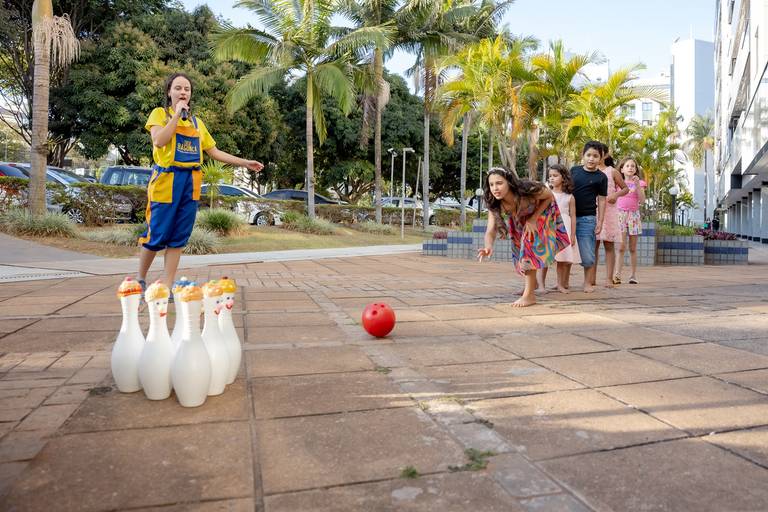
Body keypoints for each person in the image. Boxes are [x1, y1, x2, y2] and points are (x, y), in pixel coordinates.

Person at [137, 72, 263, 294]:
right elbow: (159, 140)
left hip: (190, 183)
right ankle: (140, 279)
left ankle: (166, 286)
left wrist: (245, 163)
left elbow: (214, 151)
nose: (183, 92)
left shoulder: (197, 123)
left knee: (178, 237)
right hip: (166, 180)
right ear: (169, 92)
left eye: (186, 89)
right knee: (156, 233)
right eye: (178, 88)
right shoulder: (159, 115)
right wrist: (176, 116)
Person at [477, 167, 569, 307]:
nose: (495, 188)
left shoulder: (525, 191)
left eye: (499, 183)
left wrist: (534, 218)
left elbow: (549, 196)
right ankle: (533, 284)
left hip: (541, 213)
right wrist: (488, 246)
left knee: (528, 246)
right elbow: (491, 230)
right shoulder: (495, 203)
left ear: (509, 182)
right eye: (491, 184)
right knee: (519, 249)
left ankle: (529, 295)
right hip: (520, 219)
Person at [571, 141, 608, 293]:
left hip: (587, 219)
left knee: (587, 254)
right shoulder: (574, 171)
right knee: (564, 253)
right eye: (588, 155)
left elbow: (602, 200)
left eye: (595, 156)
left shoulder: (601, 177)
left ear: (601, 158)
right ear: (583, 155)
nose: (591, 159)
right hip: (568, 217)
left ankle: (587, 283)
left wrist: (600, 221)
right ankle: (562, 282)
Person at [594, 146, 629, 287]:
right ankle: (591, 279)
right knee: (593, 247)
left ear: (605, 154)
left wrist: (615, 194)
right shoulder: (589, 171)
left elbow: (625, 188)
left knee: (609, 246)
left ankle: (609, 278)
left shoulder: (612, 171)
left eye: (598, 153)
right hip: (593, 211)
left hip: (609, 212)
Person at [548, 164, 579, 293]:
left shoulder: (569, 197)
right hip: (549, 228)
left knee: (561, 259)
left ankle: (560, 284)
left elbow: (573, 216)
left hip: (564, 229)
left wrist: (572, 235)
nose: (551, 178)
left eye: (555, 175)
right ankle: (540, 285)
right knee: (545, 258)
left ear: (563, 178)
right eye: (550, 176)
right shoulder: (547, 194)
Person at [615, 157, 646, 284]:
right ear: (622, 169)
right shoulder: (618, 183)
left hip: (633, 215)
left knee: (632, 248)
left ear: (636, 170)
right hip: (620, 215)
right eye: (627, 166)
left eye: (633, 166)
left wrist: (637, 185)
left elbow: (642, 200)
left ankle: (633, 275)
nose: (630, 168)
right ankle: (617, 274)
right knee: (621, 247)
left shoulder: (640, 183)